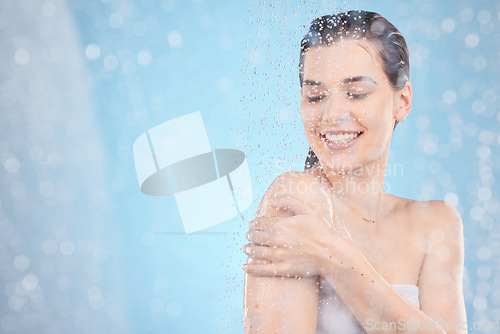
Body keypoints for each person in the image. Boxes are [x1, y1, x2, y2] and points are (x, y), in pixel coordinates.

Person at [241, 10, 467, 334]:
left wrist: (336, 259)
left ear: (402, 101)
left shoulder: (436, 223)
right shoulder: (295, 201)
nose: (332, 115)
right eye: (315, 96)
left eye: (356, 93)